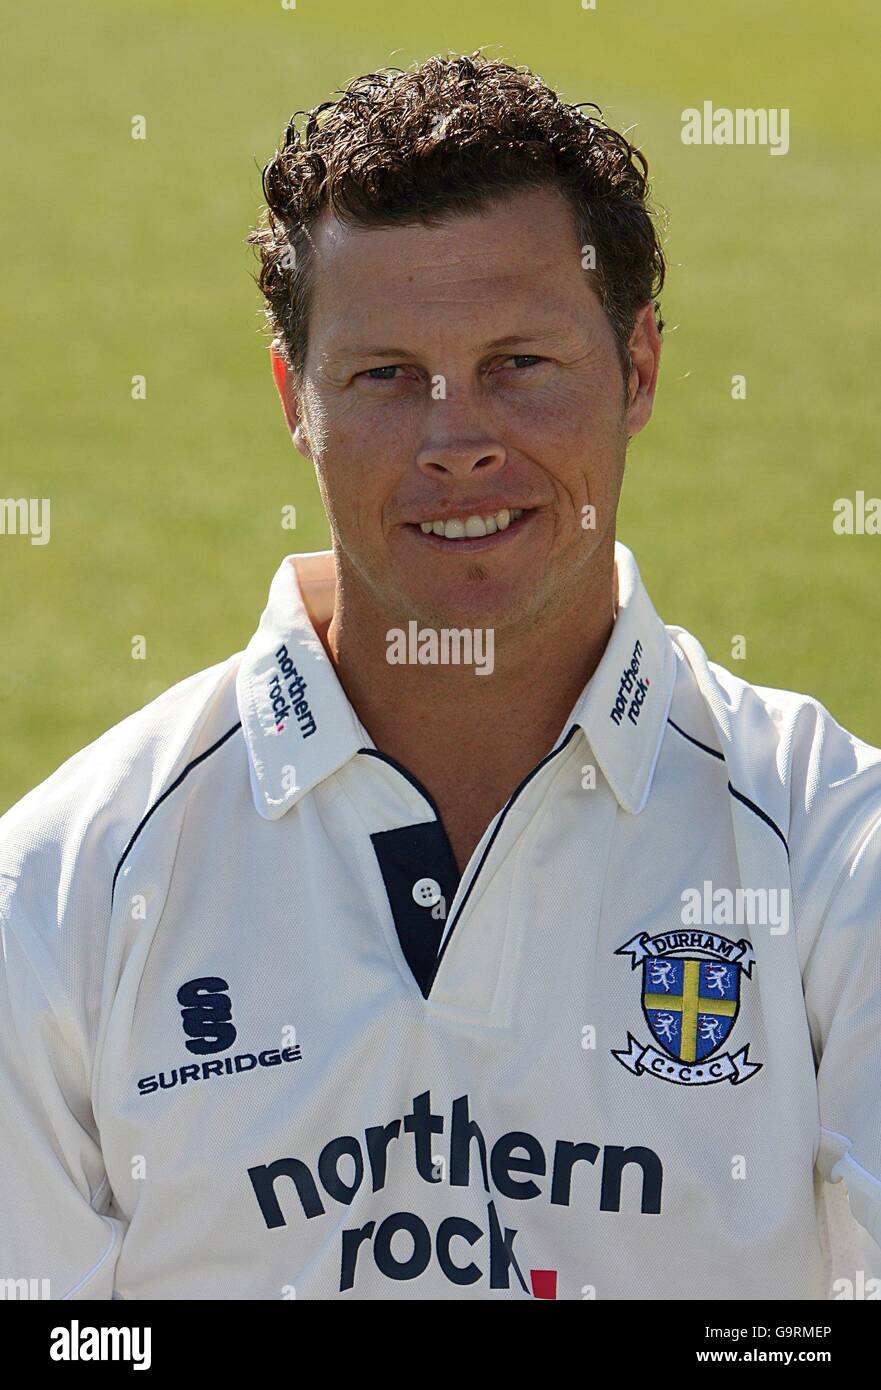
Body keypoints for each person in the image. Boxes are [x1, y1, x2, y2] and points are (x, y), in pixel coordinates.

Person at [1, 52, 879, 1301]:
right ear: (291, 399)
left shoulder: (833, 852)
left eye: (517, 363)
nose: (454, 441)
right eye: (382, 375)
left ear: (636, 369)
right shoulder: (59, 887)